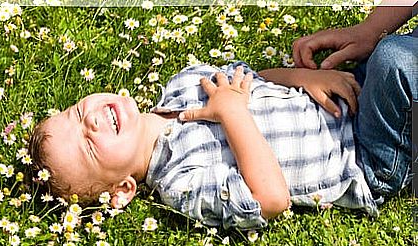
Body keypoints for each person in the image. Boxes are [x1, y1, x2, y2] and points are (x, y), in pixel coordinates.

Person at [29, 57, 397, 230]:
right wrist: (231, 113)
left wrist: (306, 78)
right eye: (88, 146)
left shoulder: (182, 84)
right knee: (395, 62)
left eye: (78, 113)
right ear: (123, 189)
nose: (91, 121)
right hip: (364, 156)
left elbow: (254, 79)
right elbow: (270, 199)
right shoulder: (181, 184)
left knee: (391, 53)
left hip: (349, 90)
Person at [292, 1, 417, 198]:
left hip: (374, 154)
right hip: (368, 95)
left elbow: (270, 199)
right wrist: (369, 30)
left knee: (395, 59)